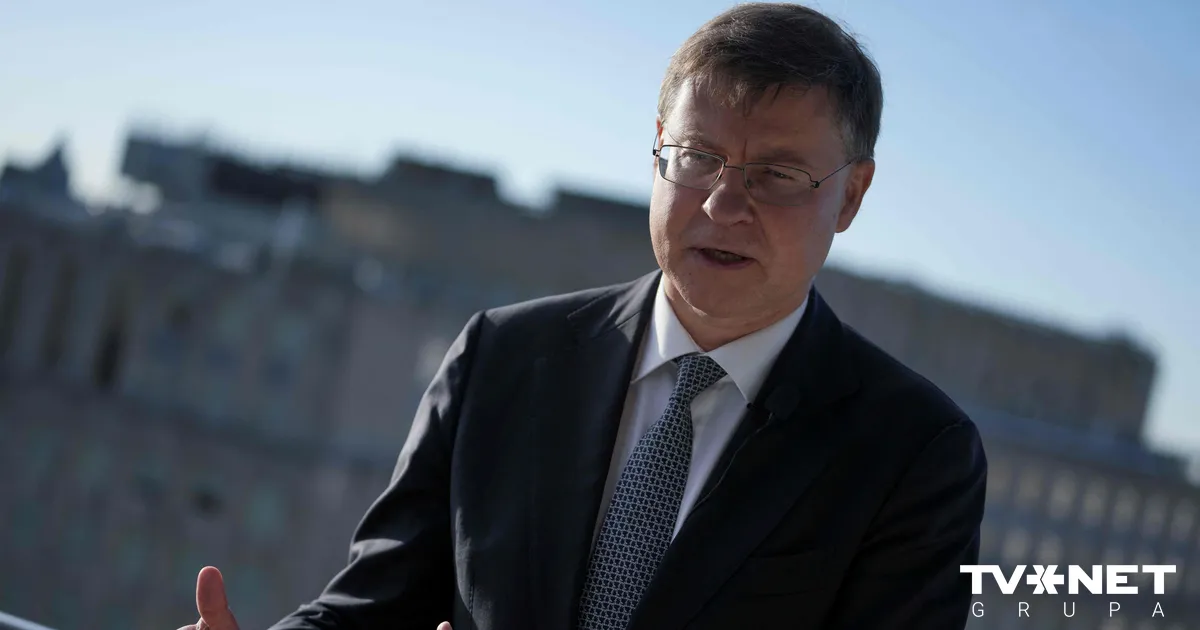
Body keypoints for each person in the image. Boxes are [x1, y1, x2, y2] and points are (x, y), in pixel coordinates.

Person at [180, 3, 987, 629]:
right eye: (698, 157)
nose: (721, 203)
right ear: (659, 147)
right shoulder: (501, 357)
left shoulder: (915, 454)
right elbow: (374, 607)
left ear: (850, 196)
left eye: (777, 175)